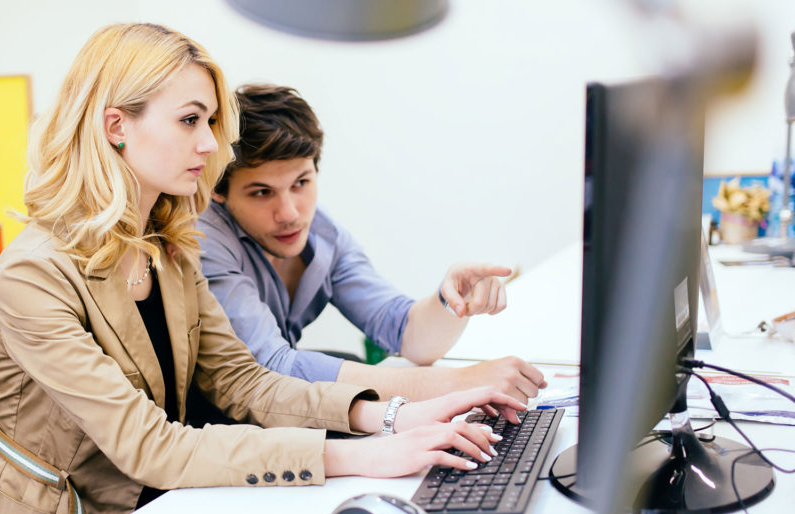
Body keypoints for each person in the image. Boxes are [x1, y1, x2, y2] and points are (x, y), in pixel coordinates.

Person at [0, 23, 526, 514]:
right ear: (117, 126)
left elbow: (244, 381)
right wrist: (363, 457)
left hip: (155, 510)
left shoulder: (166, 245)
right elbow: (151, 446)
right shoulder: (35, 273)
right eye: (190, 120)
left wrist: (394, 417)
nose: (209, 146)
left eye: (211, 122)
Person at [197, 84, 547, 405]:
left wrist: (450, 299)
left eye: (301, 183)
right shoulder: (207, 240)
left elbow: (404, 333)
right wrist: (459, 382)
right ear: (218, 189)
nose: (289, 213)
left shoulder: (324, 235)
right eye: (262, 193)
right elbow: (273, 368)